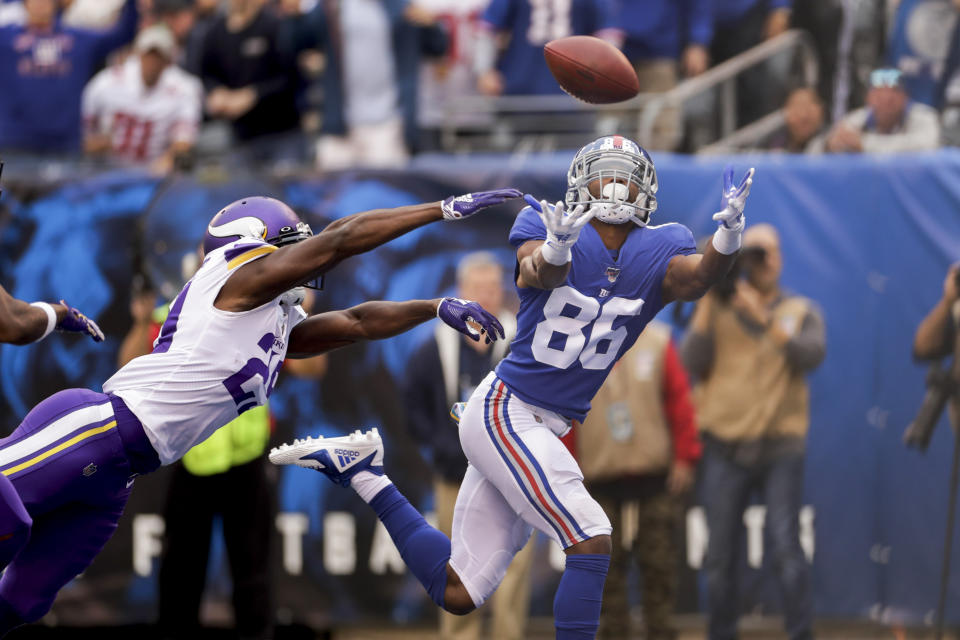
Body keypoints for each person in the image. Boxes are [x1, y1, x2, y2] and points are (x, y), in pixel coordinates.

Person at [272, 135, 756, 639]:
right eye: (604, 174)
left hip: (542, 422)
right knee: (590, 536)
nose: (615, 186)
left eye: (626, 176)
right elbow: (537, 273)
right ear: (580, 183)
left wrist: (728, 239)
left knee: (459, 591)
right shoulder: (545, 226)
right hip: (509, 411)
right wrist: (558, 245)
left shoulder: (662, 244)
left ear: (647, 188)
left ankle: (367, 474)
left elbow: (697, 280)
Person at [0, 187, 521, 636]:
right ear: (251, 247)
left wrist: (432, 307)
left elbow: (359, 321)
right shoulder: (233, 280)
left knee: (24, 600)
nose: (302, 257)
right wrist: (442, 209)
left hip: (120, 473)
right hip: (97, 430)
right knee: (8, 525)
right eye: (291, 244)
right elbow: (338, 241)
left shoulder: (269, 320)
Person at [680, 223, 826, 640]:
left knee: (786, 549)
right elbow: (693, 360)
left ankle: (801, 633)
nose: (763, 261)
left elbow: (812, 355)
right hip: (724, 447)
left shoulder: (801, 310)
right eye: (754, 253)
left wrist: (763, 317)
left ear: (780, 258)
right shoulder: (719, 308)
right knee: (720, 558)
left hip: (781, 447)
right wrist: (710, 292)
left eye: (769, 252)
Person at [405, 251, 533, 640]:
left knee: (514, 570)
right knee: (458, 568)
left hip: (513, 479)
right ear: (462, 293)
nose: (486, 297)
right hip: (454, 478)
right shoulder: (435, 347)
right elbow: (413, 404)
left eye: (492, 288)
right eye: (477, 289)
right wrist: (439, 447)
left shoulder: (520, 343)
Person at [575, 319, 700, 640]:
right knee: (604, 566)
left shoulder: (658, 341)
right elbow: (561, 413)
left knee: (658, 563)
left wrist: (684, 458)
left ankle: (659, 629)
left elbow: (679, 402)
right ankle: (614, 630)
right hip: (597, 478)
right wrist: (568, 472)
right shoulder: (578, 345)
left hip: (654, 477)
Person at [0, 0, 138, 153]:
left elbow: (123, 35)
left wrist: (132, 4)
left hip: (64, 144)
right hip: (14, 142)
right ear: (25, 4)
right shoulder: (6, 38)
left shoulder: (78, 40)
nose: (41, 3)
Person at [82, 24, 203, 173]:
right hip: (107, 170)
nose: (152, 62)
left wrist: (168, 159)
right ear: (138, 53)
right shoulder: (107, 82)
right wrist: (99, 143)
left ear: (168, 60)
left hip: (153, 174)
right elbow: (83, 133)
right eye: (148, 55)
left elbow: (184, 141)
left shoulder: (184, 88)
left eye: (159, 57)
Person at [199, 0, 300, 155]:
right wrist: (216, 92)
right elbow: (206, 74)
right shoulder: (215, 32)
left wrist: (253, 94)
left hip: (280, 132)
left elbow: (291, 77)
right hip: (240, 136)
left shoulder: (274, 26)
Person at [614, 0, 712, 150]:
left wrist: (697, 41)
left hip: (659, 51)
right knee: (609, 127)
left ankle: (656, 171)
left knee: (660, 129)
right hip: (611, 53)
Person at [475, 0, 618, 97]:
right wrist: (485, 71)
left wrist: (599, 77)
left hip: (574, 88)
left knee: (574, 140)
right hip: (520, 84)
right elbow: (488, 27)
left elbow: (608, 34)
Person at [825, 67, 940, 153]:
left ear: (905, 97)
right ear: (868, 98)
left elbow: (927, 145)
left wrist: (864, 144)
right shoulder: (857, 118)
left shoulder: (924, 116)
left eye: (894, 91)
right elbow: (835, 141)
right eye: (879, 93)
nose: (886, 98)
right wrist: (832, 144)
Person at [762, 87, 826, 153]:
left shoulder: (827, 141)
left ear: (821, 111)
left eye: (809, 110)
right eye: (798, 108)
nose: (803, 115)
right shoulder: (775, 140)